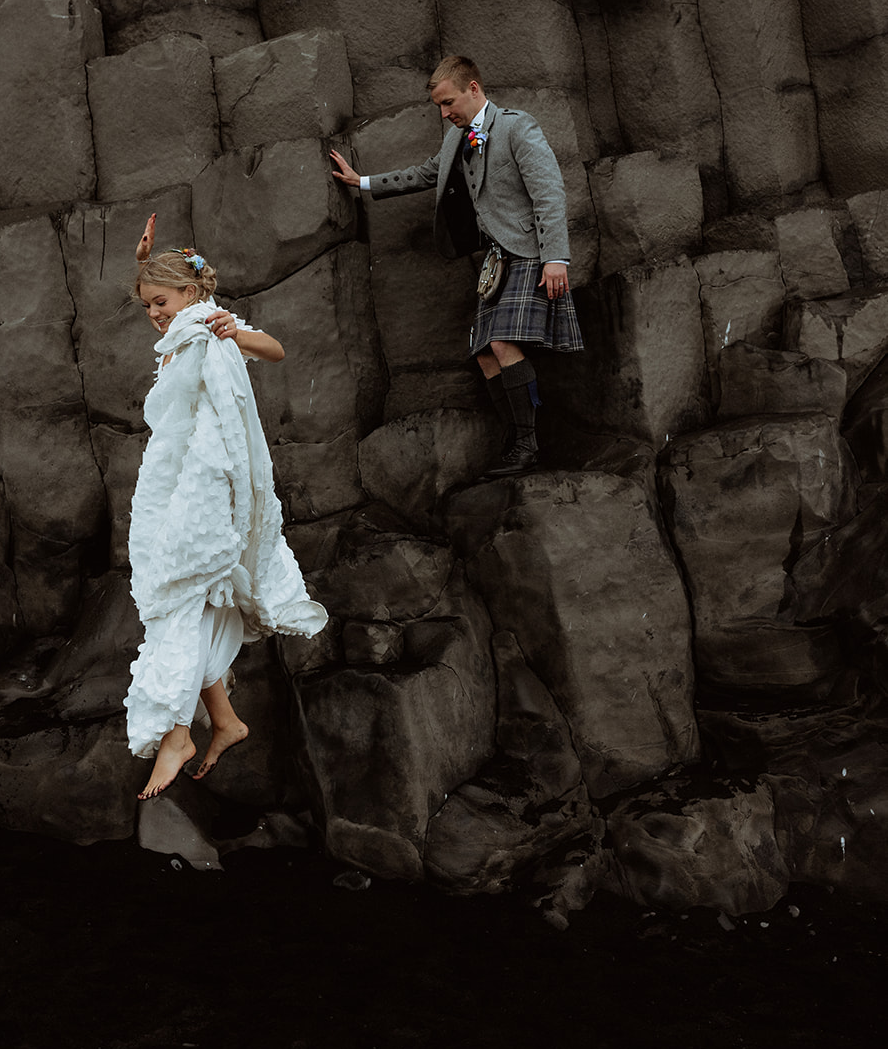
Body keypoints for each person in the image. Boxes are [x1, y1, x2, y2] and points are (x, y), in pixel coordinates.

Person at [125, 216, 327, 799]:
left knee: (182, 587)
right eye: (146, 306)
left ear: (191, 294)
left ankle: (176, 735)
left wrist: (233, 332)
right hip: (172, 477)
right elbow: (168, 292)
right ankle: (226, 721)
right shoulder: (182, 320)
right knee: (186, 591)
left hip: (206, 481)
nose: (155, 314)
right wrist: (144, 265)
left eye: (160, 301)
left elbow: (277, 349)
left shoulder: (206, 324)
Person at [329, 55, 583, 477]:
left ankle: (528, 446)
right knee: (485, 354)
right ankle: (514, 441)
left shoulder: (518, 126)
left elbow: (549, 193)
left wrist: (556, 257)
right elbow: (424, 174)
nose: (444, 113)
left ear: (474, 89)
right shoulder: (456, 139)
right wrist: (364, 182)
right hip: (496, 261)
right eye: (439, 107)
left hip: (528, 252)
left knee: (502, 345)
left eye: (448, 103)